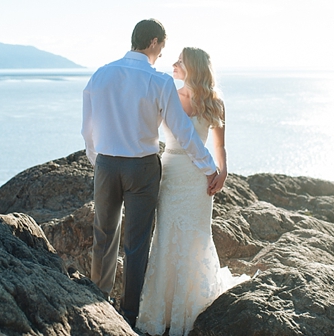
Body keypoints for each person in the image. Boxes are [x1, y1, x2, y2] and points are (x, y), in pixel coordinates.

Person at [81, 20, 220, 328]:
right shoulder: (158, 82)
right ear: (155, 42)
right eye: (163, 47)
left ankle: (99, 298)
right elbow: (184, 132)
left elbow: (86, 130)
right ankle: (129, 314)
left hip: (106, 164)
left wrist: (99, 160)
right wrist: (210, 168)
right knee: (137, 242)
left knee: (104, 234)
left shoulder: (100, 74)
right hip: (142, 167)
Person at [136, 47, 249, 336]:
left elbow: (219, 146)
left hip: (198, 180)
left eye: (180, 61)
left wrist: (222, 172)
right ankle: (161, 309)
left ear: (193, 68)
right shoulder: (168, 93)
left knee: (195, 237)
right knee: (166, 235)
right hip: (171, 173)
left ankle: (189, 307)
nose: (173, 64)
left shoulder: (215, 102)